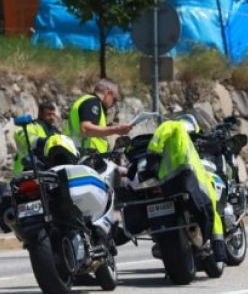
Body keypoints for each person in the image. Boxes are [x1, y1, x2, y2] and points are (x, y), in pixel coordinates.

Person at [145, 114, 226, 262]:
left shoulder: (180, 137)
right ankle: (213, 246)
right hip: (187, 179)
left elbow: (159, 138)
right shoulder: (176, 126)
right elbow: (160, 134)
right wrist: (218, 245)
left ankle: (208, 246)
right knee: (209, 209)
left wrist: (153, 159)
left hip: (171, 182)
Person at [67, 78, 131, 154]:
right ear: (108, 93)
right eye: (114, 99)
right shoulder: (92, 102)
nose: (114, 104)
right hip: (82, 154)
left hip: (80, 153)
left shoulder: (88, 101)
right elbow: (86, 129)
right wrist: (116, 130)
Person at [12, 99, 62, 174]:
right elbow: (23, 137)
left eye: (53, 114)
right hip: (26, 170)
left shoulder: (55, 131)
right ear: (40, 114)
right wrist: (41, 141)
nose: (51, 117)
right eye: (48, 114)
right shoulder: (31, 126)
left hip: (48, 169)